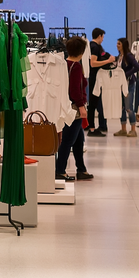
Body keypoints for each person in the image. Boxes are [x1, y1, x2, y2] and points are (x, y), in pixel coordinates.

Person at [56, 37, 93, 182]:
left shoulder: (65, 63)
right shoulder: (76, 66)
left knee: (78, 140)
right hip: (75, 108)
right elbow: (75, 91)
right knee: (68, 140)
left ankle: (81, 169)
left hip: (68, 106)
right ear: (82, 52)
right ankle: (60, 170)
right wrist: (82, 107)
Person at [87, 27, 116, 136]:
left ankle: (94, 127)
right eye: (103, 37)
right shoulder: (95, 47)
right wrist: (108, 61)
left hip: (95, 78)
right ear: (99, 36)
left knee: (95, 103)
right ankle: (92, 129)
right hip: (95, 78)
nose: (103, 39)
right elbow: (93, 63)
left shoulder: (92, 46)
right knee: (93, 103)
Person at [114, 37, 139, 137]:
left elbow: (137, 67)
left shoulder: (129, 56)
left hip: (128, 83)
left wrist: (126, 74)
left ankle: (133, 130)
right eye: (117, 44)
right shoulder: (120, 56)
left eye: (119, 44)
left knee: (129, 107)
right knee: (122, 107)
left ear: (123, 45)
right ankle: (123, 129)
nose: (117, 45)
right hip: (120, 84)